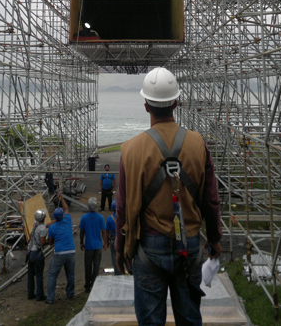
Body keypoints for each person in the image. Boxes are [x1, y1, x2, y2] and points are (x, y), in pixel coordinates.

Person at [115, 67, 222, 326]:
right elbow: (210, 199)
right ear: (176, 103)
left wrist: (120, 248)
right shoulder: (198, 143)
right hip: (190, 243)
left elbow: (122, 207)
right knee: (189, 317)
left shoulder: (131, 150)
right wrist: (215, 239)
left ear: (146, 106)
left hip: (148, 247)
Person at [45, 194, 75, 303]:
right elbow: (66, 209)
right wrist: (62, 199)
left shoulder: (52, 227)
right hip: (71, 251)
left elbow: (50, 242)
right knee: (70, 274)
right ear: (62, 216)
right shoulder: (67, 220)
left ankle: (50, 298)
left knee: (52, 275)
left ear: (54, 218)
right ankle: (70, 294)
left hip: (59, 253)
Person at [79, 197, 105, 293]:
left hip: (88, 246)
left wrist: (81, 243)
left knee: (88, 266)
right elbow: (103, 231)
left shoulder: (84, 218)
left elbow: (81, 232)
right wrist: (105, 242)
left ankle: (87, 285)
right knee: (96, 266)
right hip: (98, 246)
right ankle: (94, 284)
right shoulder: (100, 218)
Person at [27, 209, 48, 301]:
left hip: (31, 251)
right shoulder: (42, 229)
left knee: (30, 275)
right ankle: (40, 295)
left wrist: (55, 221)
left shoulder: (36, 224)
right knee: (39, 275)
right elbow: (42, 242)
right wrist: (50, 241)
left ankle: (30, 294)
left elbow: (46, 224)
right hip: (38, 253)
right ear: (43, 217)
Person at [106, 199, 119, 275]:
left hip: (113, 240)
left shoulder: (109, 218)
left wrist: (106, 242)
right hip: (122, 240)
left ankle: (117, 274)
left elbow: (107, 232)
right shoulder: (123, 217)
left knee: (114, 258)